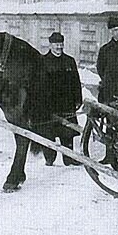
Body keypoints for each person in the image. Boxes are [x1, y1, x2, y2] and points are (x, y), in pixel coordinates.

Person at [38, 31, 83, 166]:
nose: (59, 47)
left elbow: (76, 81)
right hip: (49, 105)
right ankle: (50, 158)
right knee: (49, 131)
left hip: (67, 102)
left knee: (67, 131)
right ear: (50, 45)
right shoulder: (43, 61)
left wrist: (78, 99)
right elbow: (39, 85)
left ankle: (68, 158)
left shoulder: (69, 61)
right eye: (56, 44)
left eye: (61, 44)